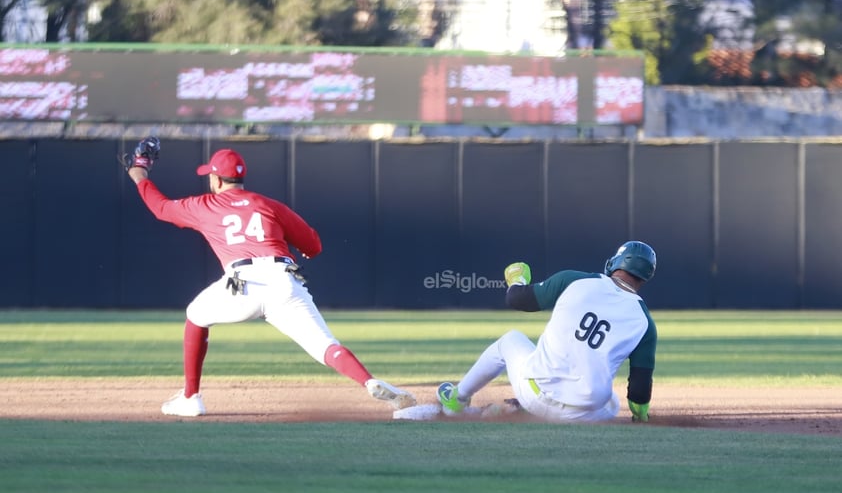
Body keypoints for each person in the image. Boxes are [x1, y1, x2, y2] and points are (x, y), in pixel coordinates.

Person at [123, 138, 416, 417]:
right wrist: (298, 247)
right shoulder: (269, 205)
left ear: (216, 180)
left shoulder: (205, 205)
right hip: (284, 280)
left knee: (196, 315)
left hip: (243, 284)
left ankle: (190, 398)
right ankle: (368, 381)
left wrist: (140, 173)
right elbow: (313, 245)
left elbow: (160, 208)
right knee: (326, 345)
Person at [436, 241, 657, 423]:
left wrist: (517, 279)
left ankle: (457, 399)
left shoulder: (576, 280)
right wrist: (640, 418)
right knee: (612, 402)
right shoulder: (645, 323)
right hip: (583, 415)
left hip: (535, 394)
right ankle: (525, 411)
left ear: (614, 263)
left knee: (510, 339)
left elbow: (518, 299)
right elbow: (639, 389)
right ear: (646, 276)